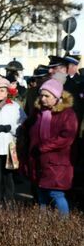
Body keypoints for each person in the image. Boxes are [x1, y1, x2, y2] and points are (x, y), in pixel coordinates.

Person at [19, 79, 78, 216]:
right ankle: (43, 224)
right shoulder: (38, 112)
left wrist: (43, 147)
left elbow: (66, 137)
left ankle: (64, 224)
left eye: (47, 96)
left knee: (56, 193)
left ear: (57, 97)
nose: (42, 99)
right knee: (41, 193)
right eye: (41, 95)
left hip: (57, 161)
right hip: (38, 160)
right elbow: (28, 128)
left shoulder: (67, 114)